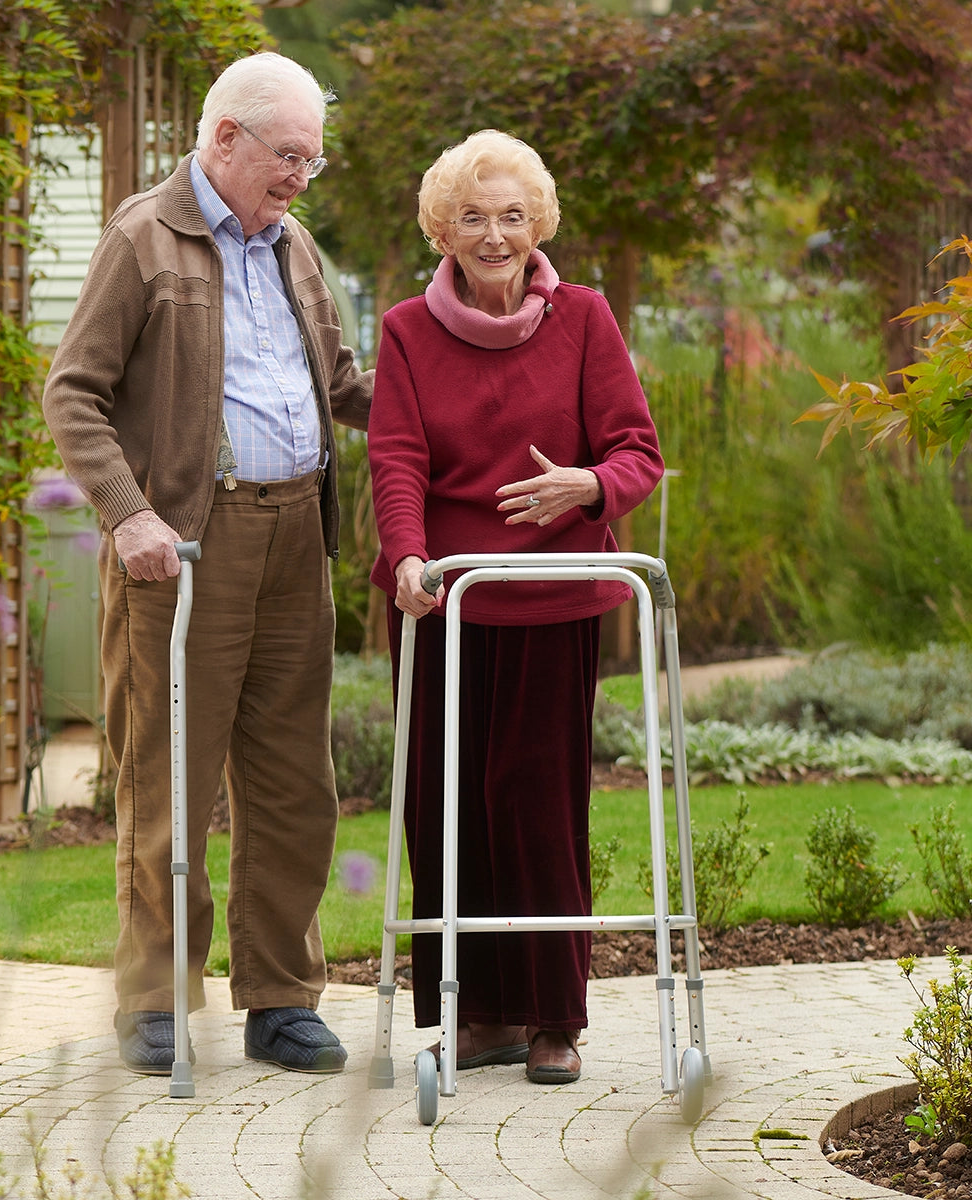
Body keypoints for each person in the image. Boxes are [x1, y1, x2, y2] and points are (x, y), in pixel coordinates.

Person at [42, 52, 372, 1076]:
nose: (299, 179)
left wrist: (469, 398)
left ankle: (280, 997)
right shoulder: (145, 237)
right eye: (288, 156)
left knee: (294, 784)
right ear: (225, 137)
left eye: (312, 162)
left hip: (293, 544)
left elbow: (347, 383)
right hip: (180, 549)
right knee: (164, 777)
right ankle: (154, 997)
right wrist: (128, 512)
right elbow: (73, 394)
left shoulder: (294, 245)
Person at [367, 130, 663, 1084]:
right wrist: (406, 554)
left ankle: (551, 1018)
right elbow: (397, 456)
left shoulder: (583, 319)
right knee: (442, 806)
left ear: (537, 224)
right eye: (471, 217)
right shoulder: (408, 329)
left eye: (510, 216)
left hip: (551, 598)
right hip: (444, 596)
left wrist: (585, 486)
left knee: (534, 806)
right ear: (442, 229)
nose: (493, 235)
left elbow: (637, 453)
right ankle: (474, 1013)